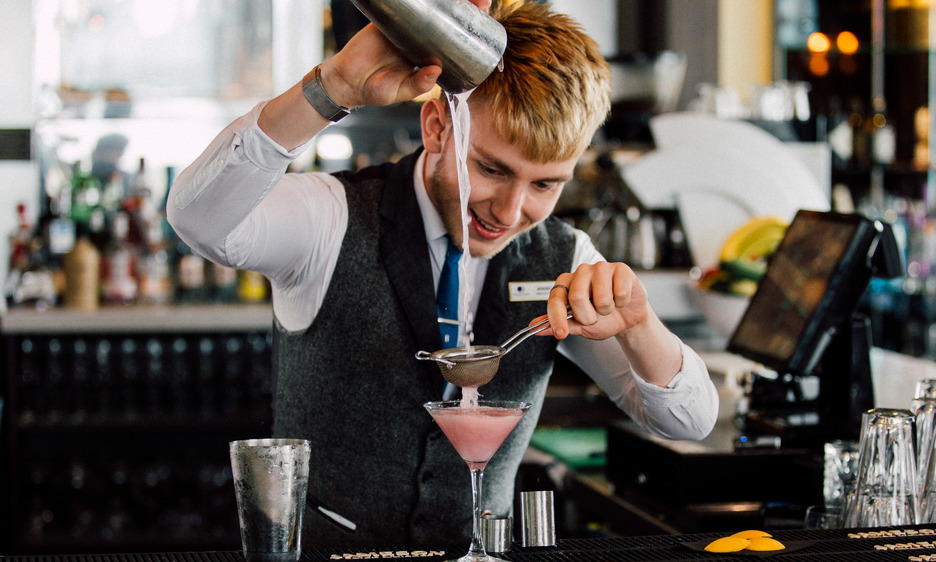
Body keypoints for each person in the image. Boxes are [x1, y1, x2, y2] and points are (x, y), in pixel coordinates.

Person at [168, 0, 718, 548]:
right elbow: (199, 219)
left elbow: (689, 423)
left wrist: (639, 324)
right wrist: (332, 86)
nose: (509, 212)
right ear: (436, 127)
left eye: (545, 184)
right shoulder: (331, 218)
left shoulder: (567, 256)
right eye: (491, 169)